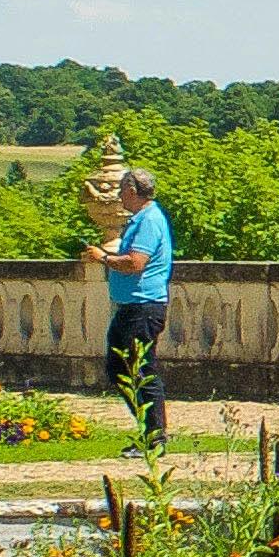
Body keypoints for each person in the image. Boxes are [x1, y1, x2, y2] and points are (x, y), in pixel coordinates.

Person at [94, 161, 175, 446]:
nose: (118, 197)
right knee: (120, 367)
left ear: (131, 190)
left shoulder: (149, 219)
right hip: (133, 306)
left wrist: (103, 258)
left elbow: (135, 263)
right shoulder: (141, 220)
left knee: (140, 370)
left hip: (143, 306)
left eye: (121, 190)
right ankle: (149, 429)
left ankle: (155, 436)